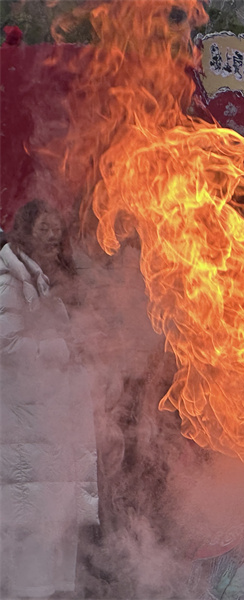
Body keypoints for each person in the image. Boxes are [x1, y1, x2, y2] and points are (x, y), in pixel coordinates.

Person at [0, 199, 99, 598]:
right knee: (31, 556)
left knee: (53, 547)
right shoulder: (9, 275)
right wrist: (66, 348)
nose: (52, 236)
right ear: (24, 230)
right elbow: (7, 346)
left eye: (56, 229)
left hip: (48, 438)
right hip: (27, 435)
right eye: (43, 227)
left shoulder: (41, 278)